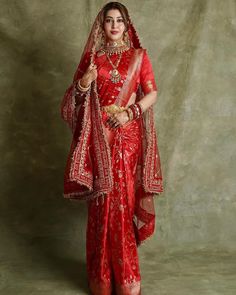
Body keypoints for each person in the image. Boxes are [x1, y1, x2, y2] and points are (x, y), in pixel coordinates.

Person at [61, 2, 164, 294]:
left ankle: (127, 279)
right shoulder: (93, 58)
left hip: (128, 135)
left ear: (127, 25)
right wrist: (84, 82)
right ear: (101, 26)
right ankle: (102, 279)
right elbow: (71, 105)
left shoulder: (139, 57)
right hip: (99, 136)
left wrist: (129, 113)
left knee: (122, 203)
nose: (115, 25)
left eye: (120, 20)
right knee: (100, 205)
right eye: (109, 20)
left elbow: (152, 92)